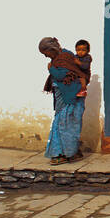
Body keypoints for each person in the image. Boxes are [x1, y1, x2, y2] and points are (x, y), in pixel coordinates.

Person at [38, 37, 87, 165]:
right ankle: (67, 153)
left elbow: (62, 76)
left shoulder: (62, 59)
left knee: (64, 124)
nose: (46, 57)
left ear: (51, 49)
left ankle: (64, 154)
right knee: (66, 124)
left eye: (46, 53)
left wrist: (51, 69)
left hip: (69, 98)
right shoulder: (66, 55)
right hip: (67, 97)